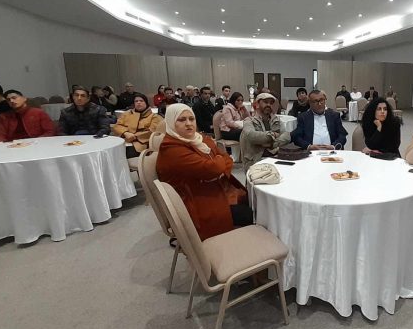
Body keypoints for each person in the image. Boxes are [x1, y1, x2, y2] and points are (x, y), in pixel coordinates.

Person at [156, 104, 252, 240]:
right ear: (171, 123)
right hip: (197, 202)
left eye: (191, 119)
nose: (188, 124)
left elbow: (227, 160)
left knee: (253, 201)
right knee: (253, 214)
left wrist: (218, 163)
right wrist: (218, 162)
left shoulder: (197, 138)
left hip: (212, 189)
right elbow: (215, 168)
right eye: (182, 120)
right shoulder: (171, 149)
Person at [240, 93, 291, 170]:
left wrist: (269, 144)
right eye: (266, 102)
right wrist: (273, 135)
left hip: (275, 158)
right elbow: (251, 136)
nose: (269, 105)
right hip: (255, 161)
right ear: (257, 104)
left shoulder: (276, 120)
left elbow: (287, 136)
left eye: (271, 103)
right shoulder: (249, 121)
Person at [111, 93, 163, 158]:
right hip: (124, 140)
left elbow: (151, 132)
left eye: (141, 101)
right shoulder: (127, 114)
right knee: (112, 152)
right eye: (136, 101)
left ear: (146, 103)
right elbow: (117, 126)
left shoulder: (154, 116)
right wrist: (125, 133)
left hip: (140, 144)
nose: (138, 103)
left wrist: (134, 136)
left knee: (124, 154)